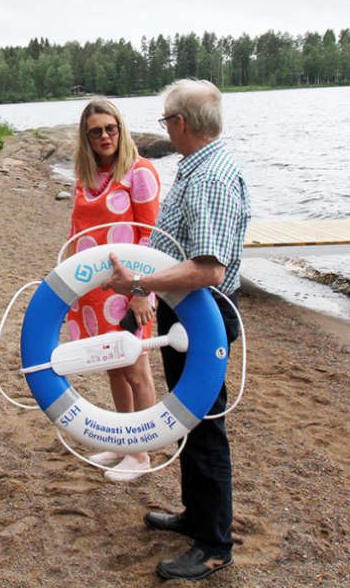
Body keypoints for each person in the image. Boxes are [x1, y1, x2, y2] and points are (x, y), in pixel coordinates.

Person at [102, 79, 251, 580]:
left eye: (166, 120)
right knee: (189, 420)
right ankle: (197, 518)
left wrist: (141, 282)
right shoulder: (199, 168)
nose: (165, 127)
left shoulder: (209, 178)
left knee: (205, 428)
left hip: (203, 318)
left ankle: (214, 545)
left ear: (182, 124)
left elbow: (209, 269)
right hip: (185, 314)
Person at [66, 98, 160, 482]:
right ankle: (124, 442)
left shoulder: (140, 172)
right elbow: (77, 233)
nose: (104, 136)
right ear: (85, 138)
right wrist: (68, 282)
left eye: (110, 128)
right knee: (112, 367)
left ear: (121, 129)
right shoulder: (87, 176)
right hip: (93, 292)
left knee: (136, 368)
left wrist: (140, 290)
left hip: (129, 291)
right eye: (95, 131)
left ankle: (141, 455)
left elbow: (151, 238)